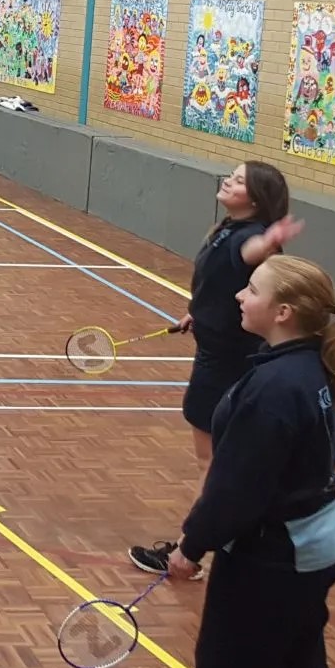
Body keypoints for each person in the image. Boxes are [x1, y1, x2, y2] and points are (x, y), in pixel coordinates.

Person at [167, 255, 335, 668]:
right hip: (317, 544)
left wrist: (191, 547)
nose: (240, 294)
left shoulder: (275, 388)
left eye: (252, 289)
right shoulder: (312, 365)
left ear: (283, 313)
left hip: (276, 559)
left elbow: (235, 490)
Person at [129, 161, 301, 577]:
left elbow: (254, 253)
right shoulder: (225, 227)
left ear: (256, 200)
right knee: (216, 458)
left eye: (240, 180)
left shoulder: (250, 237)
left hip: (227, 361)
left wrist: (273, 239)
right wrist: (198, 314)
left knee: (213, 462)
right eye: (232, 174)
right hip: (217, 350)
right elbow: (223, 282)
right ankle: (221, 536)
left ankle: (192, 551)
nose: (228, 179)